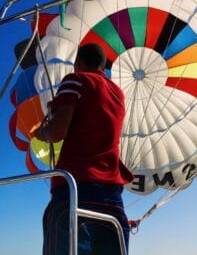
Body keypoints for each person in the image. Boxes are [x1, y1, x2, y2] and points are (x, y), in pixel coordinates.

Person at [33, 43, 134, 255]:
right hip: (112, 198)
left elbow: (56, 132)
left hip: (75, 189)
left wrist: (40, 132)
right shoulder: (118, 94)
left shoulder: (75, 79)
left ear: (78, 63)